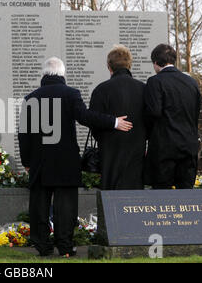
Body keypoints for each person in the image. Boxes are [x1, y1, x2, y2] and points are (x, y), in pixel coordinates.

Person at [18, 57, 133, 257]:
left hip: (40, 161)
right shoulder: (71, 94)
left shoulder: (30, 98)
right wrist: (113, 121)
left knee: (39, 206)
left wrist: (27, 161)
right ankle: (65, 247)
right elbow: (86, 117)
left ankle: (42, 245)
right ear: (62, 74)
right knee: (66, 208)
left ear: (44, 74)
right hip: (65, 161)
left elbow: (24, 134)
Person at [90, 45, 147, 190]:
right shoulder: (144, 89)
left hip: (109, 151)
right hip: (136, 150)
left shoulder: (101, 89)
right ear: (129, 65)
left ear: (109, 67)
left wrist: (105, 138)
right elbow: (151, 119)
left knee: (111, 199)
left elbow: (93, 122)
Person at [144, 44, 201, 189]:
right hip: (189, 146)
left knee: (162, 196)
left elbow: (154, 112)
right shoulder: (191, 83)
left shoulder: (155, 81)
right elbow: (196, 113)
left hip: (164, 148)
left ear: (156, 62)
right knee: (185, 196)